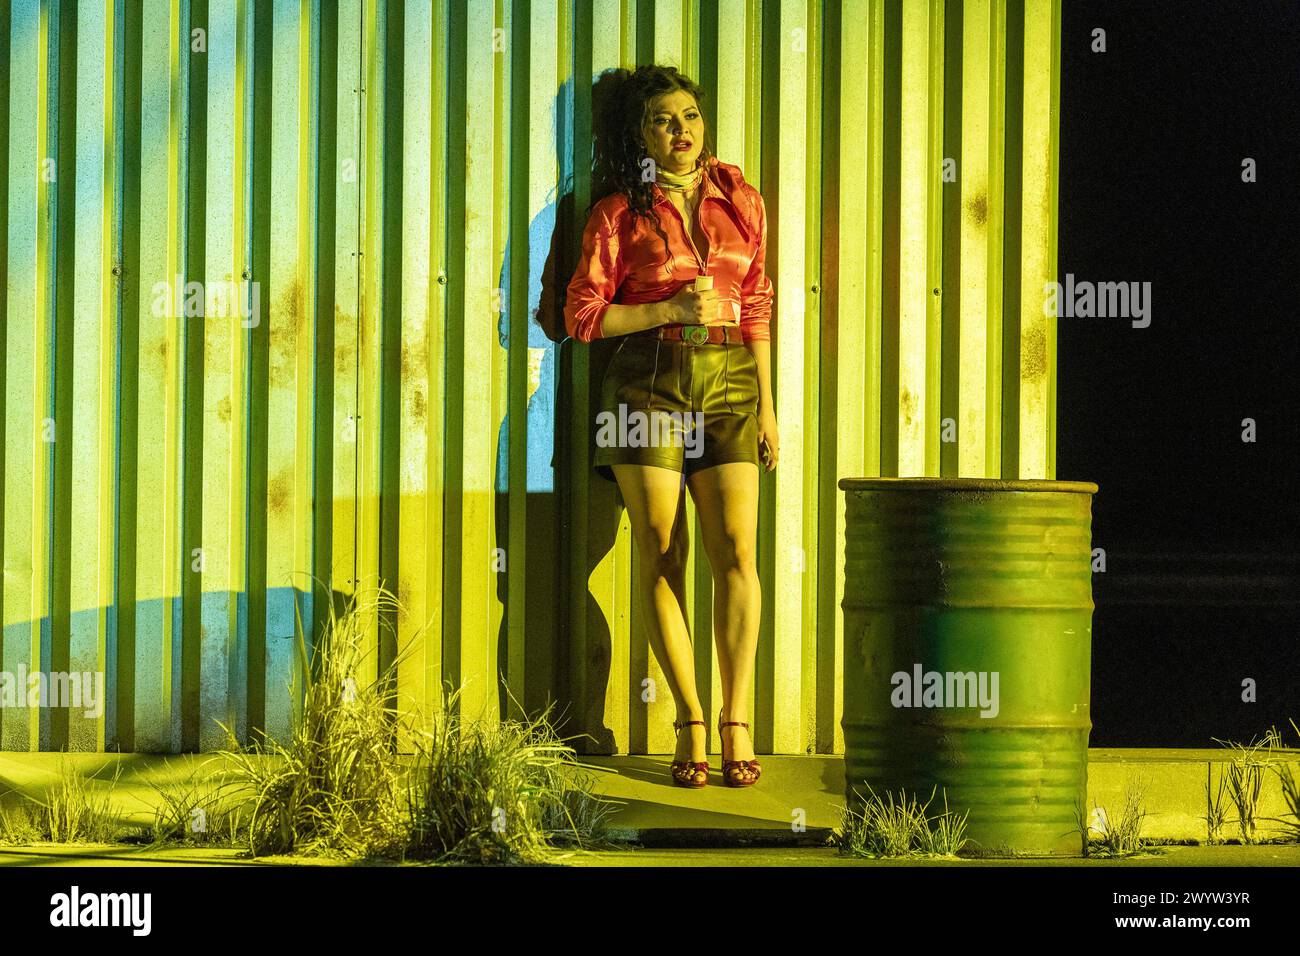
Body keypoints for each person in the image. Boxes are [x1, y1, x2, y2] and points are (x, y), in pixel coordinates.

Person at [564, 64, 778, 788]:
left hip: (731, 382)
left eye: (689, 115)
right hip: (645, 383)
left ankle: (736, 718)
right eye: (663, 119)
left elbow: (756, 301)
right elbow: (582, 317)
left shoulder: (740, 198)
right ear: (641, 134)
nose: (681, 130)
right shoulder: (617, 212)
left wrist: (769, 406)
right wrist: (667, 311)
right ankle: (688, 718)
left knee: (738, 553)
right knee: (662, 551)